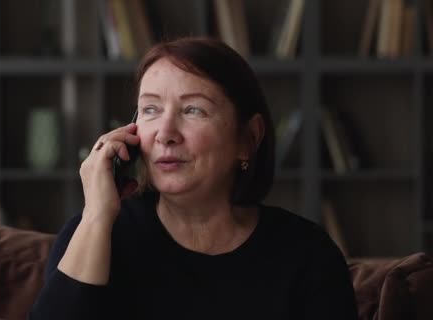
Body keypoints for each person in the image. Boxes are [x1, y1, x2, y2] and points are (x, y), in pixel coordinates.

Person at [29, 37, 358, 320]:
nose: (166, 134)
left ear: (248, 138)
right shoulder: (92, 234)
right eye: (150, 110)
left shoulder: (307, 255)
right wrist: (97, 216)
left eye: (193, 110)